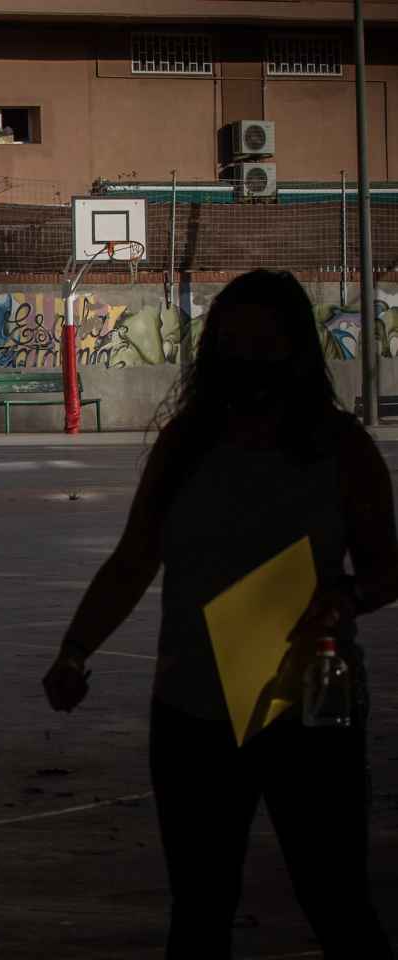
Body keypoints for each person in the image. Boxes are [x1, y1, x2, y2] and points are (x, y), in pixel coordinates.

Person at [43, 269, 395, 959]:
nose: (250, 362)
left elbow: (389, 564)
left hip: (309, 709)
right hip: (193, 710)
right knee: (200, 908)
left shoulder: (341, 447)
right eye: (233, 345)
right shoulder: (185, 446)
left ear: (296, 351)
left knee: (336, 901)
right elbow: (132, 560)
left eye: (267, 344)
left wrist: (347, 596)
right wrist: (75, 650)